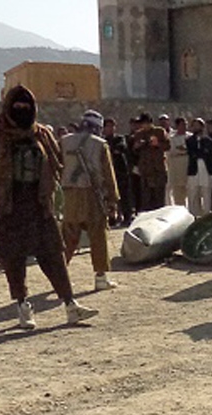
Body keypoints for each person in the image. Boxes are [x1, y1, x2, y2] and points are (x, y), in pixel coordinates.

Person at [0, 85, 97, 328]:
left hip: (40, 204)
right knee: (14, 259)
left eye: (26, 106)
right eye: (16, 106)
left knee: (53, 255)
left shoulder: (41, 134)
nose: (21, 111)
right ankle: (22, 306)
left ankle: (71, 305)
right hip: (10, 206)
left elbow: (57, 163)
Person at [59, 110, 120, 291]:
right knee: (98, 236)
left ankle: (60, 276)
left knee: (68, 237)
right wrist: (113, 200)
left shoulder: (64, 141)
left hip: (69, 194)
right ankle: (101, 278)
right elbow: (109, 175)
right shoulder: (100, 145)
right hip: (92, 195)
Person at [130, 113, 170, 212]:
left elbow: (167, 146)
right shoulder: (139, 134)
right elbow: (134, 150)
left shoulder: (159, 132)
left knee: (159, 197)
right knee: (146, 198)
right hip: (145, 170)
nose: (143, 126)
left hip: (158, 169)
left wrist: (157, 144)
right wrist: (138, 146)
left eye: (144, 123)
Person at [102, 118, 132, 226]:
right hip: (108, 172)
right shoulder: (102, 141)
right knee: (110, 196)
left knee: (124, 196)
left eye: (112, 126)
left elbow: (121, 148)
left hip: (120, 171)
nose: (110, 128)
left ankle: (126, 217)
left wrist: (113, 151)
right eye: (108, 126)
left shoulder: (119, 138)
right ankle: (112, 217)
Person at [185, 118, 212, 216]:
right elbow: (192, 153)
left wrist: (200, 153)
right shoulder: (189, 140)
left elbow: (209, 154)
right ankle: (193, 216)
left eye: (197, 125)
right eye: (194, 126)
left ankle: (206, 216)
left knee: (206, 194)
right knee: (192, 195)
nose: (196, 128)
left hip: (206, 170)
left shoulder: (209, 141)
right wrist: (200, 153)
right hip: (193, 170)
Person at [166, 117, 190, 206]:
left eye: (185, 124)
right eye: (182, 125)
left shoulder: (190, 137)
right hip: (176, 168)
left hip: (187, 167)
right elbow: (170, 151)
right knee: (178, 193)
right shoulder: (171, 138)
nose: (184, 126)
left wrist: (183, 150)